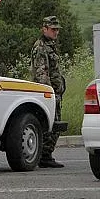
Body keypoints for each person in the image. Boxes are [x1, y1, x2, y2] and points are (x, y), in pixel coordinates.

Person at [30, 15, 66, 168]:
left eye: (57, 29)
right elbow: (41, 73)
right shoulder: (40, 47)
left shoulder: (50, 45)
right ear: (44, 29)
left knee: (55, 123)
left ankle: (46, 154)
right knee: (52, 123)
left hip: (55, 92)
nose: (56, 32)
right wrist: (50, 94)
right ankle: (44, 155)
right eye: (53, 29)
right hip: (48, 93)